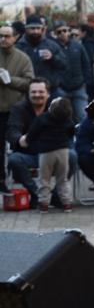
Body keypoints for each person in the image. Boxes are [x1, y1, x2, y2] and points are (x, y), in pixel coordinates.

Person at [5, 79, 78, 208]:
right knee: (14, 159)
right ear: (28, 94)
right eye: (33, 92)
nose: (37, 95)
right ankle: (37, 195)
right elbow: (12, 131)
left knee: (72, 156)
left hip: (54, 153)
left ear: (48, 94)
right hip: (29, 154)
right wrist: (19, 139)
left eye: (41, 92)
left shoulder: (58, 107)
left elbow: (69, 129)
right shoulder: (18, 108)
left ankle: (56, 196)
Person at [24, 96, 75, 213]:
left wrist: (27, 141)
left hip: (46, 152)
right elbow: (71, 133)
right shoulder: (68, 120)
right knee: (63, 178)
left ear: (51, 108)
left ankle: (44, 203)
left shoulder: (42, 118)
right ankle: (67, 203)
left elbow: (32, 134)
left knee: (44, 179)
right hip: (63, 150)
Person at [0, 24, 34, 192]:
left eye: (7, 36)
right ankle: (1, 181)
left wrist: (10, 80)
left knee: (16, 145)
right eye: (1, 36)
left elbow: (30, 83)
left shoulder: (23, 58)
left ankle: (21, 181)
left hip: (16, 110)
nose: (3, 39)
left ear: (15, 38)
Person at [16, 15, 66, 92]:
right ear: (26, 29)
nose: (35, 31)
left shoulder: (52, 45)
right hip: (26, 90)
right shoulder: (19, 47)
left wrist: (52, 58)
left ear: (42, 30)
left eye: (38, 28)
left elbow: (64, 64)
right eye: (32, 28)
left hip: (50, 90)